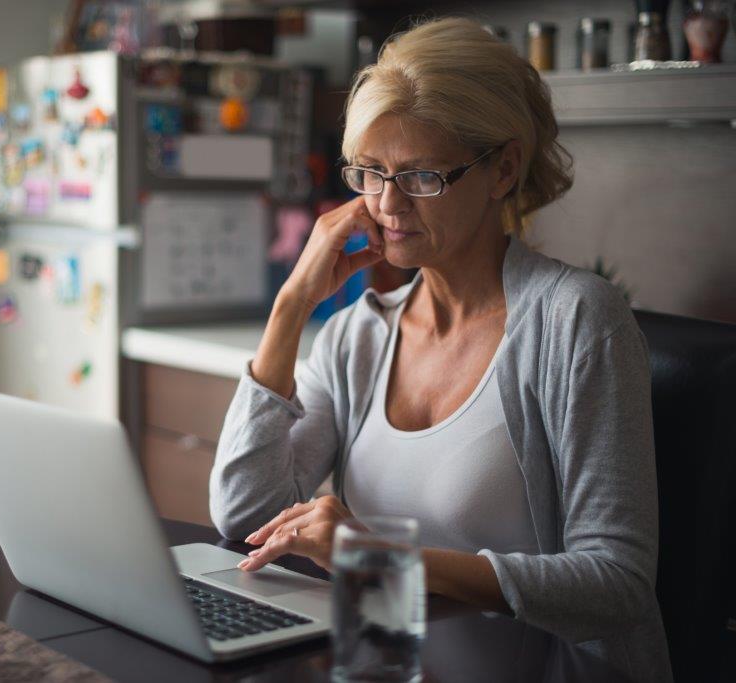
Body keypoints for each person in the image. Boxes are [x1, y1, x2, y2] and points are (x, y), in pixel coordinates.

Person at [208, 16, 672, 682]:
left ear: (503, 169)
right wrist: (290, 308)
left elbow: (616, 582)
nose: (387, 205)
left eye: (421, 176)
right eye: (370, 172)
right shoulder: (358, 337)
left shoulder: (577, 320)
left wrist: (378, 557)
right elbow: (245, 515)